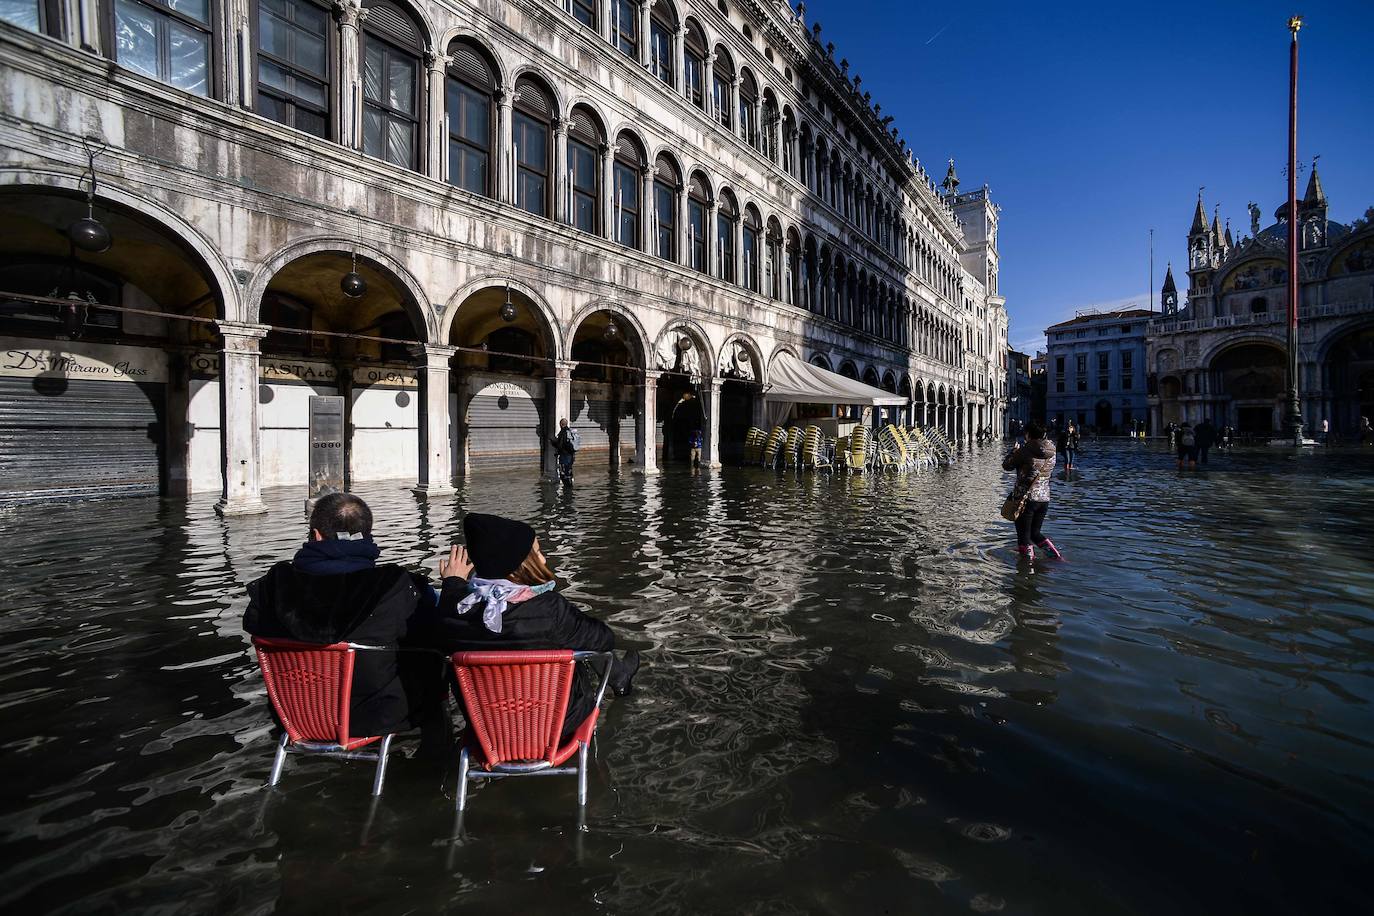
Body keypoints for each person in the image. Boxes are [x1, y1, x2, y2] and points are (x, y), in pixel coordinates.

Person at [243, 493, 447, 740]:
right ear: (368, 534)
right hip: (377, 716)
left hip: (296, 714)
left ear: (316, 535)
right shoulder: (397, 585)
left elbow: (255, 626)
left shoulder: (273, 585)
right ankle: (437, 762)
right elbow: (436, 634)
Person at [437, 513, 639, 742]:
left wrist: (452, 584)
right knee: (580, 642)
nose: (543, 560)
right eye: (537, 553)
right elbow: (605, 640)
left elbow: (444, 620)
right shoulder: (549, 609)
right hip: (560, 727)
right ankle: (620, 678)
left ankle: (620, 676)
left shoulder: (454, 610)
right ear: (518, 567)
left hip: (489, 733)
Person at [1002, 421, 1060, 559]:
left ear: (1028, 434)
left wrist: (1013, 452)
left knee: (1024, 537)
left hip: (1025, 499)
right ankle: (1056, 558)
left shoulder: (1025, 451)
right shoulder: (1052, 451)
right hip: (1044, 498)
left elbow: (1007, 466)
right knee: (1035, 533)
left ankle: (1026, 568)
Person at [552, 418, 580, 482]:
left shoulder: (563, 432)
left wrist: (553, 443)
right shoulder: (569, 431)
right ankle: (570, 482)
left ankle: (567, 487)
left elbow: (561, 445)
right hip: (571, 455)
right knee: (569, 469)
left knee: (564, 471)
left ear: (561, 424)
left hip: (565, 455)